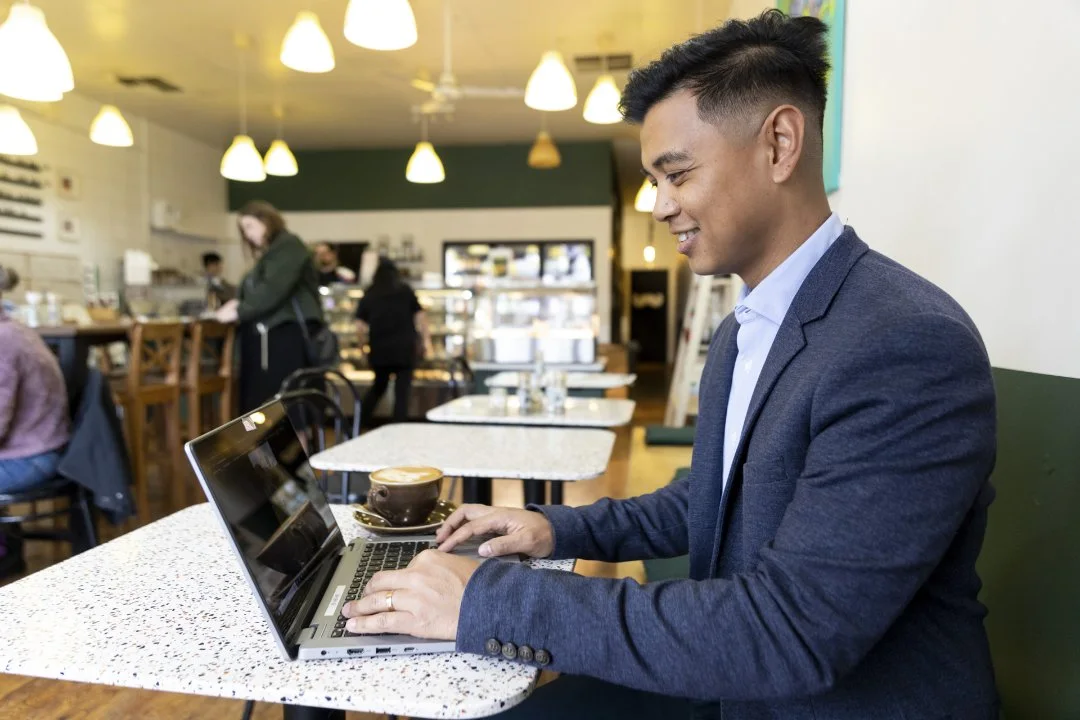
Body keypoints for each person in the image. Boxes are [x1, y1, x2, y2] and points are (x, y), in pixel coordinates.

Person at [334, 11, 999, 720]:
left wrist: (485, 596)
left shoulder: (904, 344)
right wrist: (557, 528)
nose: (658, 206)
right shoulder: (752, 325)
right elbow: (708, 496)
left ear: (779, 143)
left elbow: (790, 634)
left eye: (676, 174)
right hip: (734, 681)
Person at [215, 201, 323, 413]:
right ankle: (275, 447)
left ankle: (292, 448)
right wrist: (240, 303)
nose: (247, 235)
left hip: (283, 341)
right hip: (271, 342)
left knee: (287, 411)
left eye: (249, 226)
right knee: (273, 411)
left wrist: (239, 310)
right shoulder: (276, 250)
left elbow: (272, 289)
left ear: (266, 221)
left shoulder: (288, 246)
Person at [0, 265, 71, 577]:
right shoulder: (15, 330)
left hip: (32, 459)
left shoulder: (3, 342)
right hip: (45, 447)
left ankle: (6, 556)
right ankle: (7, 552)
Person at [354, 259, 433, 426]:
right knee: (402, 393)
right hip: (404, 350)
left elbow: (359, 327)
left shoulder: (370, 293)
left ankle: (357, 422)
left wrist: (362, 349)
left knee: (378, 387)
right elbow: (421, 318)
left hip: (380, 350)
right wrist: (426, 342)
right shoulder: (405, 291)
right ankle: (399, 428)